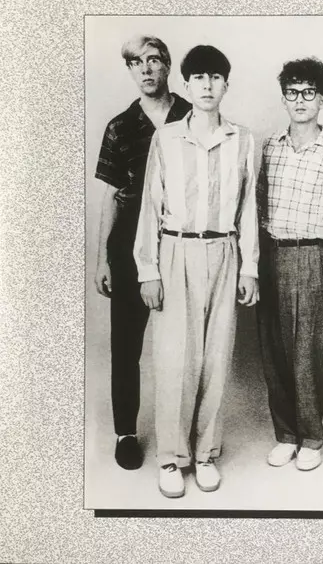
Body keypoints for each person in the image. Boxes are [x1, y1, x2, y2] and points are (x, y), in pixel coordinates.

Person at [133, 45, 259, 498]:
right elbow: (150, 206)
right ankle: (171, 457)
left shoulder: (243, 139)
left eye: (215, 77)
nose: (207, 85)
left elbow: (248, 208)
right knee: (174, 359)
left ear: (226, 85)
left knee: (215, 358)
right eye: (199, 78)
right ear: (186, 85)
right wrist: (148, 270)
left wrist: (250, 268)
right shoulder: (167, 138)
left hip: (224, 252)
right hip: (176, 251)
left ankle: (205, 454)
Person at [94, 35, 191, 471]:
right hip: (129, 246)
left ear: (167, 65)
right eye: (137, 63)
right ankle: (125, 433)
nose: (146, 69)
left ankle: (183, 433)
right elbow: (111, 196)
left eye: (154, 60)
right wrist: (102, 258)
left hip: (179, 241)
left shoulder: (191, 115)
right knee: (126, 345)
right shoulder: (120, 126)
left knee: (182, 345)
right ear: (131, 71)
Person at [257, 57, 323, 472]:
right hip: (271, 253)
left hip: (312, 253)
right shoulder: (270, 147)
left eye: (309, 93)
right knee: (274, 347)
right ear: (284, 98)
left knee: (309, 348)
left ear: (322, 99)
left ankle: (311, 437)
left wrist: (318, 251)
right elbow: (257, 200)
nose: (300, 100)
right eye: (292, 92)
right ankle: (285, 435)